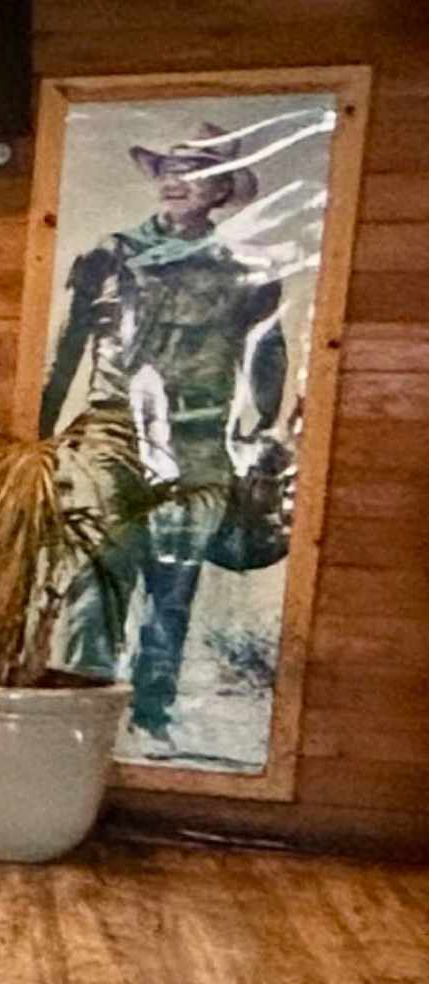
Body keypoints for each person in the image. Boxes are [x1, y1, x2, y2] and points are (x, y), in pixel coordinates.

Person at [35, 112, 311, 752]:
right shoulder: (110, 255)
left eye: (193, 171)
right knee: (99, 572)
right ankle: (79, 713)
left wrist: (262, 436)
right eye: (168, 169)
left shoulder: (243, 268)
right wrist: (39, 440)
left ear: (220, 190)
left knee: (173, 587)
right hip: (113, 434)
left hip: (197, 441)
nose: (175, 181)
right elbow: (65, 353)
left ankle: (151, 716)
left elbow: (267, 362)